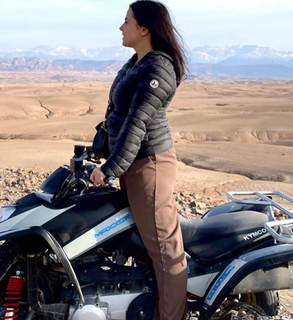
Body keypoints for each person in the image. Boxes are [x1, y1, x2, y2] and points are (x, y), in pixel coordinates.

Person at [90, 1, 188, 319]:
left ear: (144, 28)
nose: (121, 27)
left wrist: (108, 169)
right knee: (142, 247)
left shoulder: (158, 67)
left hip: (150, 166)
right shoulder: (137, 62)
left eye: (127, 21)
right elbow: (116, 117)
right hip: (133, 165)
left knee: (166, 253)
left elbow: (136, 124)